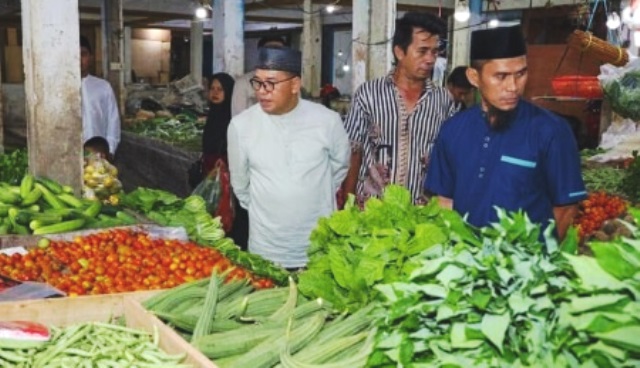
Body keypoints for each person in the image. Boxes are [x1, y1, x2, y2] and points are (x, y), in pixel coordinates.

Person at [424, 25, 586, 240]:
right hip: (466, 262)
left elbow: (565, 208)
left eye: (520, 74)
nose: (513, 86)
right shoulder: (453, 130)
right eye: (501, 76)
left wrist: (538, 262)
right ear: (474, 77)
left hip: (526, 266)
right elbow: (444, 200)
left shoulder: (551, 131)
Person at [227, 47, 350, 270]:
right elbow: (240, 184)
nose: (262, 91)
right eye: (258, 82)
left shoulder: (327, 121)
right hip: (267, 247)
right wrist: (272, 203)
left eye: (271, 83)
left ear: (294, 85)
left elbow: (340, 166)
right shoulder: (241, 126)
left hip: (316, 243)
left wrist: (311, 193)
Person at [343, 12, 457, 205]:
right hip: (373, 209)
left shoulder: (443, 99)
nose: (430, 59)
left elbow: (449, 158)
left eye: (435, 51)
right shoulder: (369, 94)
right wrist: (348, 204)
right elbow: (354, 152)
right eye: (422, 51)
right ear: (399, 52)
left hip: (421, 213)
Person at [80, 35, 121, 157]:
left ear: (91, 57)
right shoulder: (62, 89)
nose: (79, 59)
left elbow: (113, 121)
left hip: (99, 154)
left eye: (83, 54)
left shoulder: (103, 87)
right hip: (71, 156)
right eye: (75, 55)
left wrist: (110, 150)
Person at [231, 36, 287, 117]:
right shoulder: (243, 83)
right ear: (260, 54)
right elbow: (239, 119)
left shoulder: (290, 82)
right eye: (269, 50)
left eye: (279, 50)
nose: (274, 54)